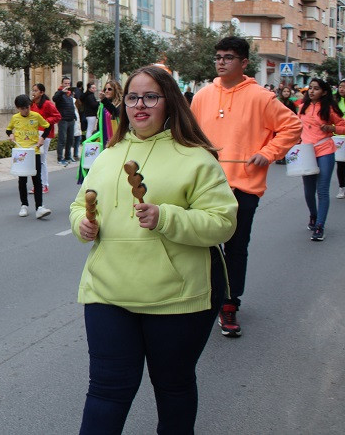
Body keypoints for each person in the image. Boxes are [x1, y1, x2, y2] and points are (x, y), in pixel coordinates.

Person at [70, 66, 238, 434]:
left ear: (169, 103)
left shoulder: (195, 157)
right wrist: (82, 224)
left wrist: (166, 217)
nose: (139, 105)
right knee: (106, 390)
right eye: (132, 97)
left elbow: (222, 223)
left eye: (150, 97)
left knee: (173, 387)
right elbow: (80, 205)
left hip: (176, 297)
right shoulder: (110, 153)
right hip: (107, 291)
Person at [191, 36, 301, 337]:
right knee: (202, 246)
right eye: (218, 57)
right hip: (205, 185)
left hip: (244, 186)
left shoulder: (261, 97)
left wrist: (267, 153)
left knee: (236, 248)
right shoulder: (202, 96)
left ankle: (229, 304)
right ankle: (204, 298)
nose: (221, 61)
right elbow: (189, 134)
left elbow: (292, 126)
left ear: (243, 63)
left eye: (228, 57)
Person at [297, 79, 345, 241]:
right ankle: (313, 215)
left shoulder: (329, 108)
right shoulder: (303, 107)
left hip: (325, 150)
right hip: (306, 152)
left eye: (316, 89)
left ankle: (319, 226)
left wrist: (332, 128)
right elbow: (296, 127)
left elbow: (343, 126)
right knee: (308, 191)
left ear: (324, 92)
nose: (311, 91)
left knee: (322, 190)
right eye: (310, 88)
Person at [6, 94, 51, 220]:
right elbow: (8, 129)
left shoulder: (36, 116)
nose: (26, 110)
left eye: (28, 107)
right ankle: (24, 205)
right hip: (20, 152)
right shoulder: (15, 118)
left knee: (37, 180)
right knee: (22, 180)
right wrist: (11, 135)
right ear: (18, 108)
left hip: (34, 151)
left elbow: (47, 127)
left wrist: (42, 138)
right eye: (23, 108)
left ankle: (39, 207)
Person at [30, 83, 60, 193]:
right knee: (34, 160)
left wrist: (45, 122)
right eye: (32, 91)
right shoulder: (32, 104)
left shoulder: (48, 104)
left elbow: (57, 116)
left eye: (35, 91)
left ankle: (44, 184)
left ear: (41, 92)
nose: (33, 93)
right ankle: (36, 184)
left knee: (41, 160)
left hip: (45, 134)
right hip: (33, 134)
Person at [53, 76, 77, 165]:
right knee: (62, 139)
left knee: (70, 139)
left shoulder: (70, 94)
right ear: (62, 84)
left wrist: (74, 116)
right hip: (63, 120)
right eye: (65, 83)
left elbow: (72, 106)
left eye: (68, 83)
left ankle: (68, 156)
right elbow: (54, 99)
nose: (67, 85)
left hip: (71, 119)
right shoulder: (59, 93)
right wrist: (61, 92)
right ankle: (60, 158)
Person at [336, 80, 345, 199]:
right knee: (341, 164)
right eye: (340, 87)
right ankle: (342, 187)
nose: (342, 89)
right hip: (338, 138)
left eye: (344, 87)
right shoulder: (334, 102)